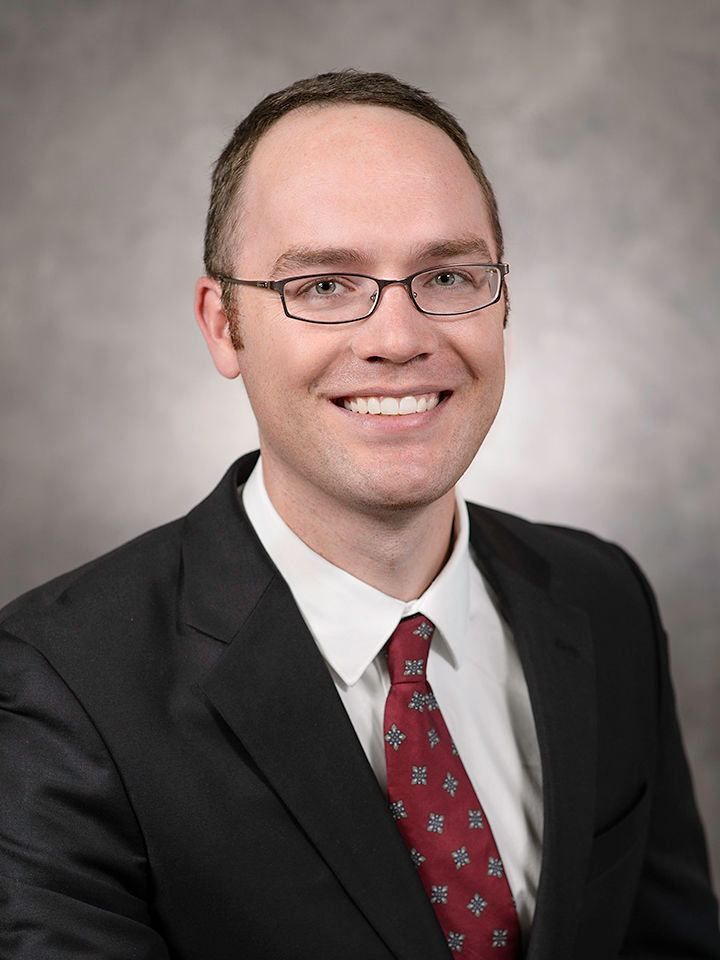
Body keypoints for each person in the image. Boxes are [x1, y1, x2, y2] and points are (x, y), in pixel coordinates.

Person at [0, 70, 718, 960]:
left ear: (505, 300)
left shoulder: (601, 596)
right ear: (223, 326)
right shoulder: (58, 685)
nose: (399, 337)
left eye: (448, 274)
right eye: (326, 286)